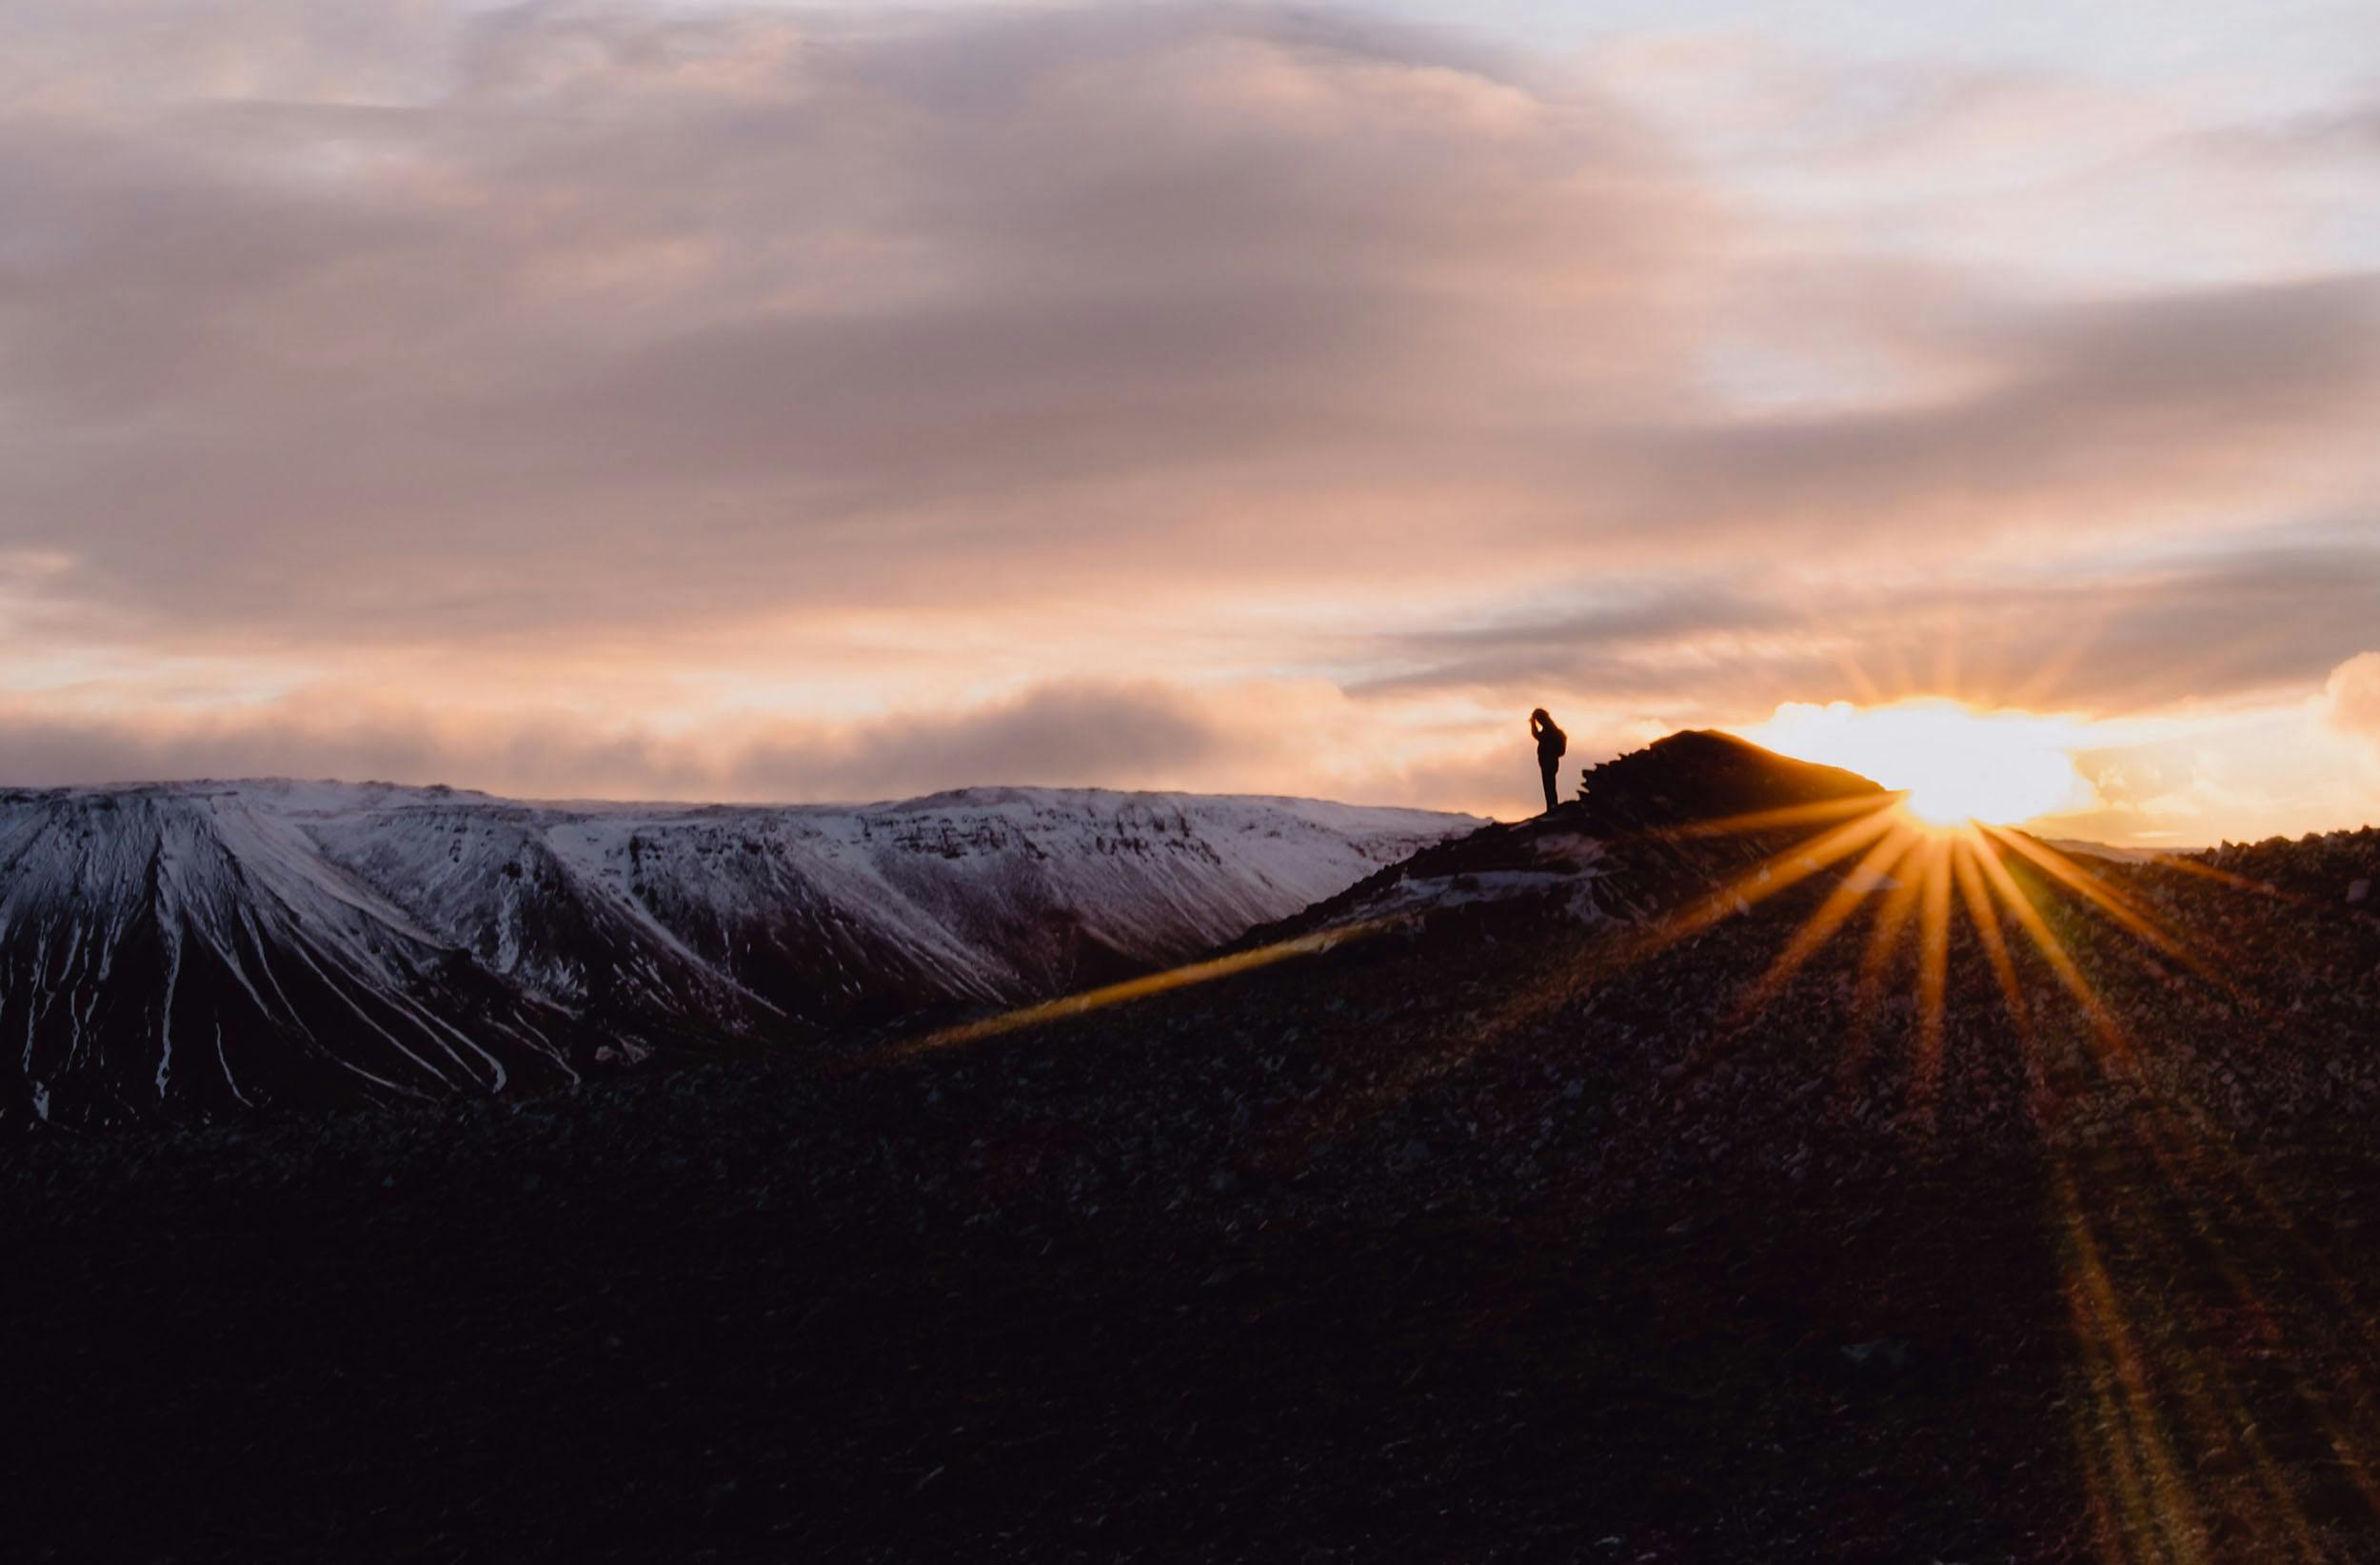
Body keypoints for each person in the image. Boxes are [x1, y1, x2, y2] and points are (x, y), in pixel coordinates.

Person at [1528, 707, 1566, 814]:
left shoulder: (1548, 730)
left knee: (1549, 785)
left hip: (1548, 761)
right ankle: (1552, 806)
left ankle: (1552, 807)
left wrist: (1532, 723)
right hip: (1551, 761)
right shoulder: (1551, 729)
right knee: (1550, 784)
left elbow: (1537, 735)